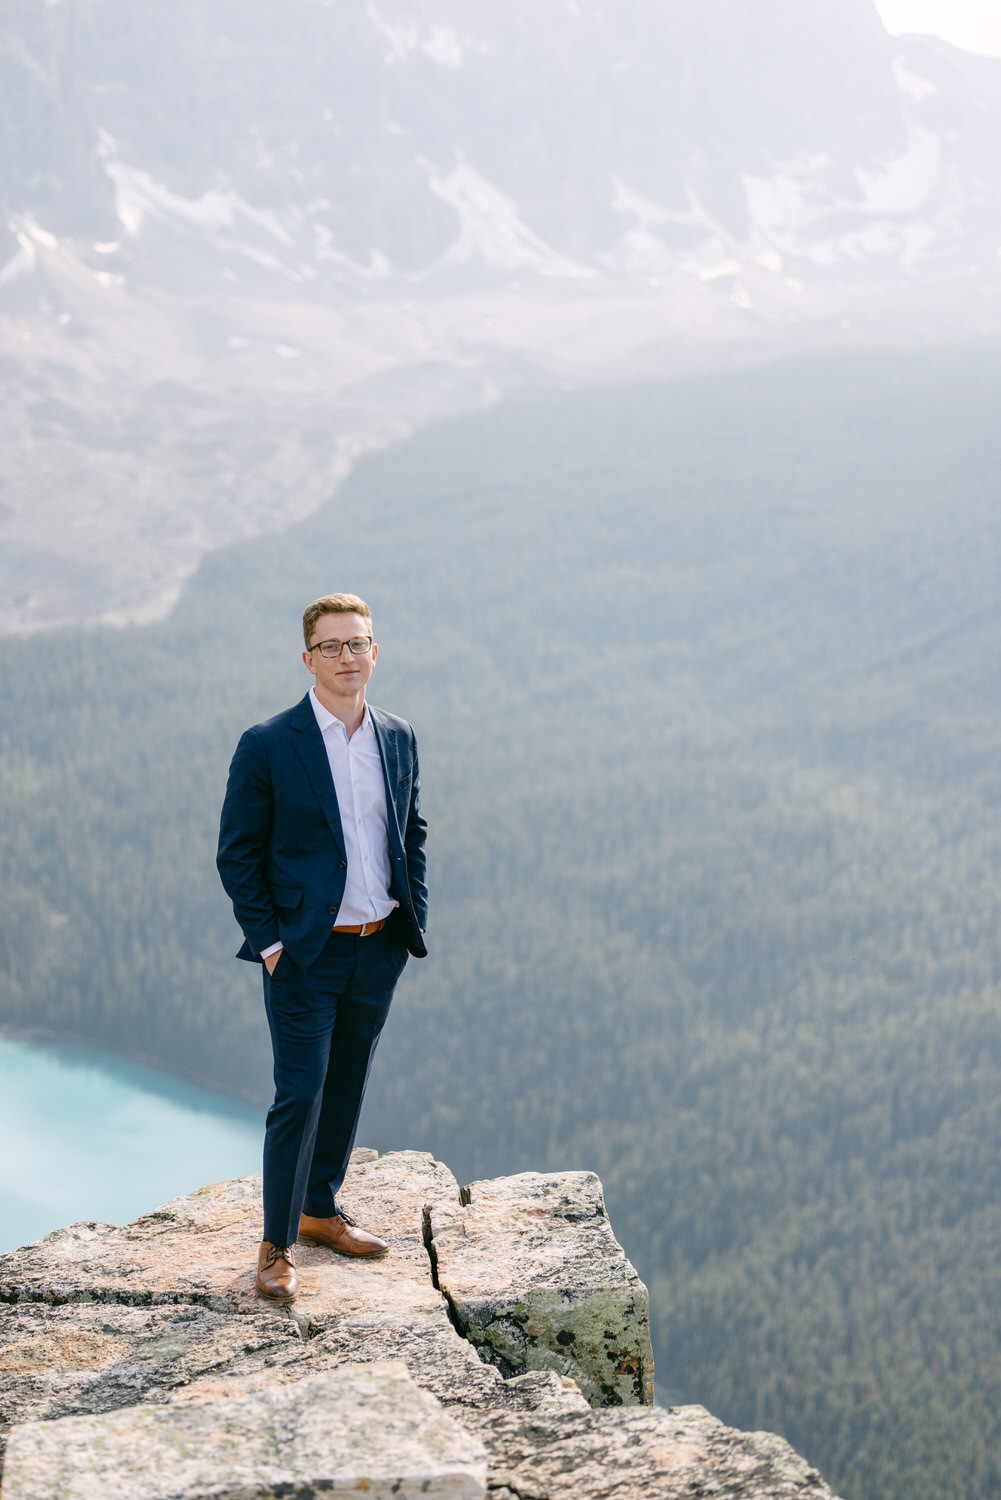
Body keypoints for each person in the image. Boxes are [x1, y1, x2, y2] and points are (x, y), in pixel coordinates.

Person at [216, 592, 427, 1303]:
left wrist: (408, 920)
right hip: (304, 954)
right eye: (332, 646)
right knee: (298, 1094)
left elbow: (411, 831)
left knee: (346, 1083)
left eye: (357, 643)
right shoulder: (269, 743)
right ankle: (275, 1247)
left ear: (375, 651)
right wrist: (271, 944)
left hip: (377, 947)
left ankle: (320, 1210)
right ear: (307, 658)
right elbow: (237, 854)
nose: (346, 657)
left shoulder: (395, 736)